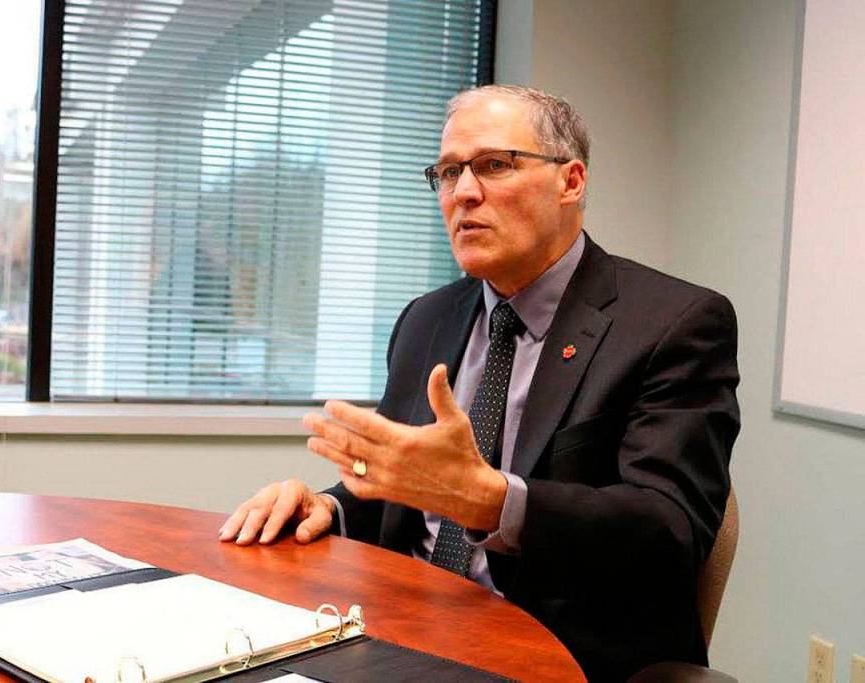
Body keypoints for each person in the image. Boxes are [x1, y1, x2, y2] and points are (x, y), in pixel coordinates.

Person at [219, 85, 740, 681]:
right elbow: (407, 493)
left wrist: (492, 501)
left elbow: (670, 535)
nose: (463, 192)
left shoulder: (675, 323)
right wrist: (330, 506)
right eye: (447, 173)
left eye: (494, 165)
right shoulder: (426, 318)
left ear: (570, 182)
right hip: (400, 633)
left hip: (559, 654)